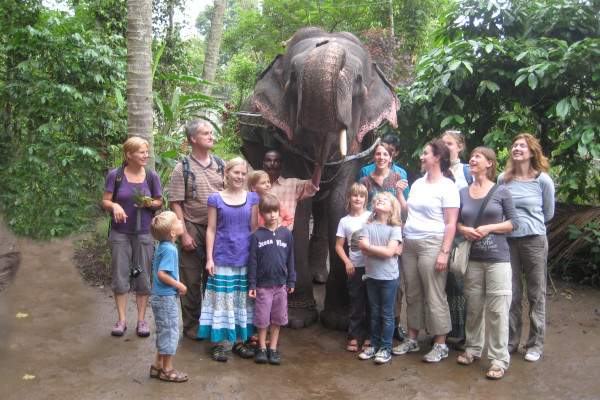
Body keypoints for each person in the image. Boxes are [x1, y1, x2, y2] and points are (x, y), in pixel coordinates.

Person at [393, 139, 459, 363]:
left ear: (438, 157)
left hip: (433, 243)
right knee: (412, 292)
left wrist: (444, 252)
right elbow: (408, 213)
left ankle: (440, 344)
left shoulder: (448, 186)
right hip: (410, 243)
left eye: (425, 153)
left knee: (435, 294)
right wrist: (400, 194)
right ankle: (412, 339)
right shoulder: (419, 184)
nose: (421, 157)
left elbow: (451, 223)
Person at [455, 147, 518, 380]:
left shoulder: (502, 192)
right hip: (473, 260)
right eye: (471, 156)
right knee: (474, 307)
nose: (472, 159)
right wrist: (464, 229)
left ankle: (499, 359)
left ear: (490, 163)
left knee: (498, 310)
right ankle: (473, 348)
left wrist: (490, 227)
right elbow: (458, 222)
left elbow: (514, 222)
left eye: (477, 156)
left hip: (497, 260)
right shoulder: (462, 192)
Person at [498, 133, 555, 363]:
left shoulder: (543, 180)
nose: (517, 148)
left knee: (536, 293)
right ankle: (512, 341)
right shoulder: (504, 179)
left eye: (522, 146)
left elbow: (548, 213)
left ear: (532, 152)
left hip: (534, 241)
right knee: (511, 293)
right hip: (509, 241)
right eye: (515, 145)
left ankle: (535, 343)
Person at [168, 120, 224, 340]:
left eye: (211, 133)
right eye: (205, 133)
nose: (211, 136)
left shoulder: (220, 164)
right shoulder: (182, 168)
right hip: (192, 226)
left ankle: (211, 323)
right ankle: (191, 325)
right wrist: (184, 234)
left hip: (217, 229)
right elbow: (176, 203)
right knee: (190, 281)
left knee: (213, 279)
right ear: (193, 139)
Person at [199, 157, 259, 362]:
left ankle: (239, 342)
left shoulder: (252, 198)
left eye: (243, 174)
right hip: (222, 255)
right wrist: (209, 258)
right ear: (227, 172)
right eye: (236, 173)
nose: (240, 177)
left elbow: (253, 229)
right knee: (221, 300)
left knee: (242, 300)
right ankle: (216, 345)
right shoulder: (215, 198)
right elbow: (211, 229)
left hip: (245, 256)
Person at [102, 137, 162, 337]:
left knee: (142, 276)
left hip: (144, 233)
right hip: (120, 233)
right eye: (141, 152)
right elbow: (105, 201)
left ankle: (141, 320)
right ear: (129, 155)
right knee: (120, 276)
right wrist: (115, 205)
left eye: (147, 152)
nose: (146, 155)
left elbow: (159, 201)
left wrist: (150, 204)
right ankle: (121, 320)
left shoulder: (152, 176)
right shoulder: (116, 175)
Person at [359, 142, 409, 341]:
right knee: (372, 279)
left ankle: (394, 324)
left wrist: (402, 241)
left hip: (394, 235)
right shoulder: (365, 179)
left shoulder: (399, 177)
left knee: (394, 283)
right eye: (377, 154)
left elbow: (404, 210)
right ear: (374, 157)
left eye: (385, 154)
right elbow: (361, 205)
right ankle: (373, 330)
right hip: (372, 231)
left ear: (391, 157)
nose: (381, 157)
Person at [247, 194, 296, 365]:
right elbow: (252, 262)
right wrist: (252, 284)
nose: (272, 215)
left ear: (279, 212)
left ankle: (273, 348)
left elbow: (291, 259)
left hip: (281, 285)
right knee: (262, 318)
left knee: (278, 318)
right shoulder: (257, 236)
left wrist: (291, 280)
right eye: (268, 212)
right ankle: (261, 347)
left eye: (275, 211)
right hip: (262, 286)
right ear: (261, 213)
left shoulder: (286, 234)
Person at [357, 192, 403, 364]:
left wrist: (370, 246)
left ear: (392, 208)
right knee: (374, 312)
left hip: (389, 278)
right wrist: (382, 250)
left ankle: (386, 347)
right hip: (372, 276)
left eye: (385, 199)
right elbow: (362, 250)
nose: (380, 200)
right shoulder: (368, 224)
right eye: (378, 199)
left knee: (387, 313)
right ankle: (374, 344)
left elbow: (390, 252)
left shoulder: (395, 227)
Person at [148, 211, 188, 382]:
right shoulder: (170, 249)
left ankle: (157, 365)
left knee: (164, 330)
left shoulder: (162, 246)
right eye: (177, 221)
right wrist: (179, 285)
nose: (181, 221)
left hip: (160, 296)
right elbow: (162, 274)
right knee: (170, 332)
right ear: (172, 233)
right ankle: (167, 369)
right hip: (165, 298)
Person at [441, 130, 472, 350]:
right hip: (439, 232)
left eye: (449, 144)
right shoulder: (435, 170)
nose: (445, 147)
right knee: (440, 284)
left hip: (462, 232)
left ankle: (463, 334)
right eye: (442, 143)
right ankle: (442, 331)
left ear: (459, 147)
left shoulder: (467, 172)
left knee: (460, 284)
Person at [335, 183, 371, 353]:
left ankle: (370, 337)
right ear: (349, 198)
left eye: (362, 196)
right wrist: (348, 262)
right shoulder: (344, 221)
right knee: (356, 303)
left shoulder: (372, 217)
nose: (358, 199)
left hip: (373, 267)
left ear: (366, 199)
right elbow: (338, 246)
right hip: (355, 267)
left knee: (372, 304)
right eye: (355, 195)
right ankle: (354, 336)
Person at [262, 149, 321, 230]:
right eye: (269, 160)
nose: (272, 164)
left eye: (276, 161)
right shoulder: (258, 187)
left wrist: (318, 163)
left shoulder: (292, 184)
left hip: (284, 236)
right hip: (261, 237)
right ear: (263, 164)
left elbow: (313, 185)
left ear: (281, 164)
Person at [358, 134, 410, 200]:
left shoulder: (401, 175)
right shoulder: (365, 172)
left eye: (387, 152)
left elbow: (405, 202)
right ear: (373, 156)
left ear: (392, 155)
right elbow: (358, 197)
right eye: (378, 154)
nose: (382, 157)